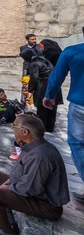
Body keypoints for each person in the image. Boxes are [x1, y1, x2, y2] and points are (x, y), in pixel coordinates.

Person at [0, 114, 69, 234]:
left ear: (25, 132)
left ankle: (8, 231)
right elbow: (22, 173)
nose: (12, 128)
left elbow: (31, 188)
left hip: (46, 205)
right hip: (35, 194)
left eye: (14, 126)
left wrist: (8, 187)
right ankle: (7, 215)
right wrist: (9, 182)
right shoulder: (34, 145)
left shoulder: (40, 156)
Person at [43, 26, 84, 203]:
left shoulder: (73, 52)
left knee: (77, 144)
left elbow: (57, 76)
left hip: (80, 106)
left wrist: (49, 95)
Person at [20, 48, 62, 132]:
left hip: (43, 86)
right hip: (54, 84)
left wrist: (30, 91)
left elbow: (34, 78)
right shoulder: (45, 60)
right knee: (52, 108)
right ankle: (50, 128)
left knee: (42, 109)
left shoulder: (34, 64)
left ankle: (41, 128)